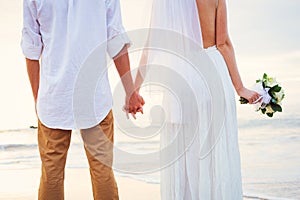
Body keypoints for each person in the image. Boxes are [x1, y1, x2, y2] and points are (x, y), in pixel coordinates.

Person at [135, 0, 261, 199]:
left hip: (180, 80)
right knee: (215, 152)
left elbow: (151, 44)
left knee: (184, 154)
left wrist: (135, 89)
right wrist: (240, 88)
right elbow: (223, 43)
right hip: (211, 76)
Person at [21, 0, 144, 199]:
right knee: (102, 172)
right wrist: (130, 92)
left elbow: (31, 47)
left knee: (51, 176)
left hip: (54, 97)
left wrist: (39, 99)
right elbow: (115, 38)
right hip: (94, 98)